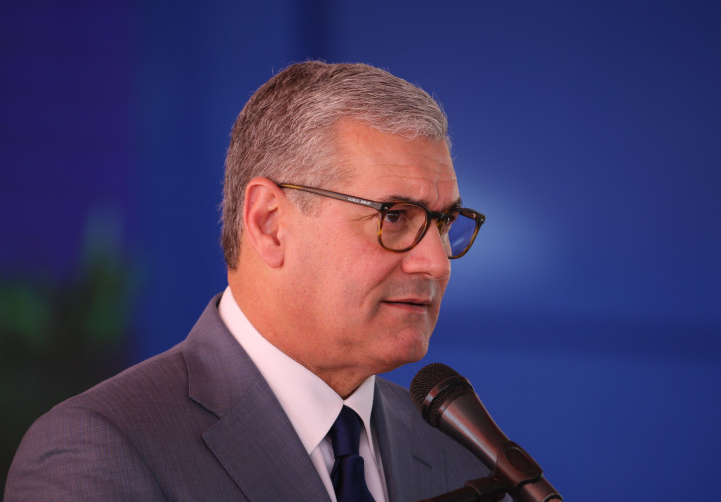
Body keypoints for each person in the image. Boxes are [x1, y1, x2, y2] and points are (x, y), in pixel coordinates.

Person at [5, 61, 489, 501]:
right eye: (395, 216)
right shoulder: (97, 450)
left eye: (445, 222)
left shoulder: (457, 449)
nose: (436, 263)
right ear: (269, 223)